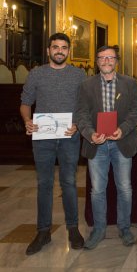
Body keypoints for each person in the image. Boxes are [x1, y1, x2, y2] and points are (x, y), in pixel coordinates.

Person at [20, 33, 85, 255]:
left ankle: (73, 229)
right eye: (55, 47)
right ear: (48, 50)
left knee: (69, 182)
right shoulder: (36, 74)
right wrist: (28, 121)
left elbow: (84, 105)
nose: (59, 51)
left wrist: (77, 123)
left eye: (64, 47)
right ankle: (43, 231)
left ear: (69, 51)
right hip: (42, 138)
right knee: (44, 184)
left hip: (69, 136)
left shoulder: (79, 74)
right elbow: (25, 102)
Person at [76, 45, 137, 250]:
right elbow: (81, 114)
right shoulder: (86, 85)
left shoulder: (130, 83)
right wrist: (89, 134)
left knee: (125, 188)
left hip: (122, 142)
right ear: (97, 61)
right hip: (97, 145)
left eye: (110, 58)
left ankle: (124, 228)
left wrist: (123, 129)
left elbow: (135, 110)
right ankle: (99, 229)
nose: (106, 61)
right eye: (102, 58)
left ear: (116, 61)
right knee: (97, 190)